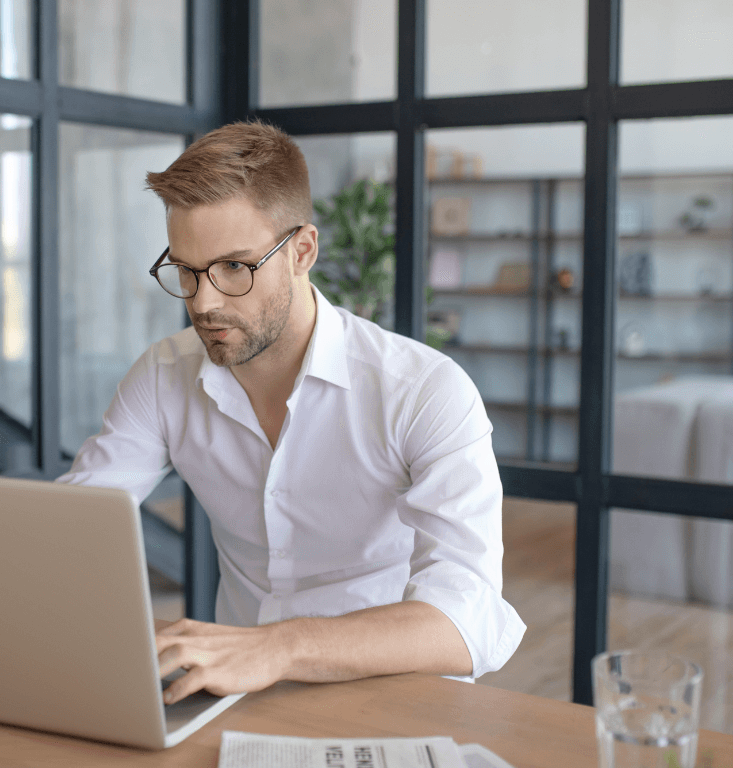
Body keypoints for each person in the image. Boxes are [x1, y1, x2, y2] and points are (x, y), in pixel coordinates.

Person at [57, 120, 524, 705]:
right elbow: (70, 532)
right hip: (235, 697)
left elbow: (467, 620)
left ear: (302, 251)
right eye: (185, 270)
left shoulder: (423, 390)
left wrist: (278, 647)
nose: (203, 302)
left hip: (392, 700)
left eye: (234, 268)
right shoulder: (162, 375)